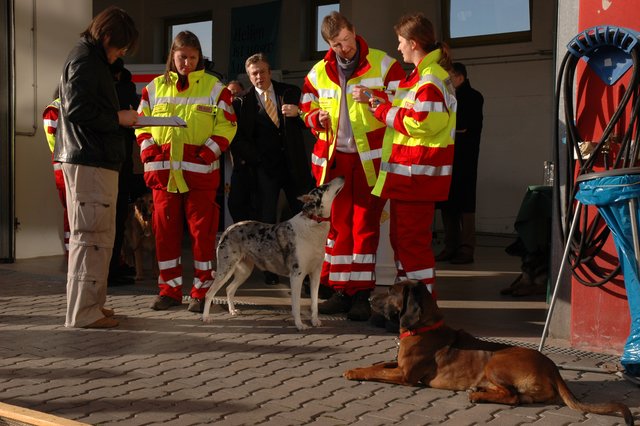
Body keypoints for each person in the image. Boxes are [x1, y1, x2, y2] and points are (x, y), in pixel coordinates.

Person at [300, 12, 405, 321]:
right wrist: (314, 119)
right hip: (334, 161)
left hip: (368, 160)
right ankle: (342, 291)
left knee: (365, 226)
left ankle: (361, 293)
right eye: (336, 44)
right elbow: (308, 104)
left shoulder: (384, 64)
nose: (343, 48)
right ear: (329, 44)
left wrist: (373, 96)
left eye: (346, 40)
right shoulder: (319, 72)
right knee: (338, 229)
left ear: (354, 33)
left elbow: (403, 103)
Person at [135, 31, 237, 313]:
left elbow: (228, 125)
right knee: (164, 235)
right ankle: (169, 291)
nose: (187, 63)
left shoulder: (215, 88)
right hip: (163, 174)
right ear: (173, 55)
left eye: (193, 57)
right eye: (182, 57)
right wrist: (149, 151)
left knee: (202, 236)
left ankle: (202, 292)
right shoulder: (153, 88)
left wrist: (208, 152)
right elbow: (141, 124)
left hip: (200, 175)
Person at [53, 6, 139, 329]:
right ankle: (84, 312)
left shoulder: (88, 58)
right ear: (106, 37)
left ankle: (91, 305)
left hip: (89, 158)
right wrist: (119, 118)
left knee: (96, 236)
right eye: (120, 48)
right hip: (89, 160)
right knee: (92, 237)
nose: (120, 55)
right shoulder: (87, 61)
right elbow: (76, 109)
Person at [368, 13, 456, 318]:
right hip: (409, 178)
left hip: (416, 177)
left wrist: (381, 111)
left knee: (413, 249)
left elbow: (421, 123)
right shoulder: (422, 76)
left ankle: (421, 314)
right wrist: (380, 101)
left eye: (401, 42)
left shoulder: (429, 79)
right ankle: (407, 308)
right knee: (404, 246)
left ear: (414, 43)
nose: (399, 48)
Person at [228, 53, 315, 285]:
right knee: (266, 220)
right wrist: (257, 159)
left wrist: (298, 114)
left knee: (304, 216)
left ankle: (306, 270)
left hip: (294, 167)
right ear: (248, 76)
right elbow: (237, 139)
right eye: (254, 73)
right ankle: (269, 269)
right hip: (265, 170)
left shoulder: (290, 92)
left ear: (270, 71)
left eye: (262, 71)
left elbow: (309, 120)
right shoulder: (243, 103)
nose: (259, 76)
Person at [435, 62, 484, 264]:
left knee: (465, 203)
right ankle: (450, 245)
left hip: (465, 158)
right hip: (449, 156)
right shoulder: (448, 97)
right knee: (447, 201)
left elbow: (462, 127)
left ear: (460, 77)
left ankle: (466, 248)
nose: (446, 82)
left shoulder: (472, 97)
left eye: (449, 77)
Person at [107, 58, 142, 286]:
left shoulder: (115, 88)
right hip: (122, 158)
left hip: (113, 158)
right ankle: (114, 267)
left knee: (114, 217)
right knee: (116, 217)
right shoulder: (128, 88)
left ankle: (112, 268)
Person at [42, 89, 69, 256]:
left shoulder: (64, 107)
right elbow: (54, 139)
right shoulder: (54, 109)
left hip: (67, 164)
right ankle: (70, 251)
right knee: (70, 209)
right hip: (65, 165)